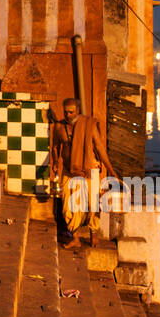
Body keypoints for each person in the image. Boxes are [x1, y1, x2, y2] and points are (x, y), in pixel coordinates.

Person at [50, 97, 119, 248]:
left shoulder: (89, 125)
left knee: (93, 205)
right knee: (68, 206)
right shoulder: (59, 127)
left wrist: (111, 170)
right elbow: (55, 147)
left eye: (71, 112)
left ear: (78, 111)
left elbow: (100, 149)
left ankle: (94, 236)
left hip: (90, 171)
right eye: (66, 112)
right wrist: (55, 161)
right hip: (69, 171)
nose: (68, 115)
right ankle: (75, 238)